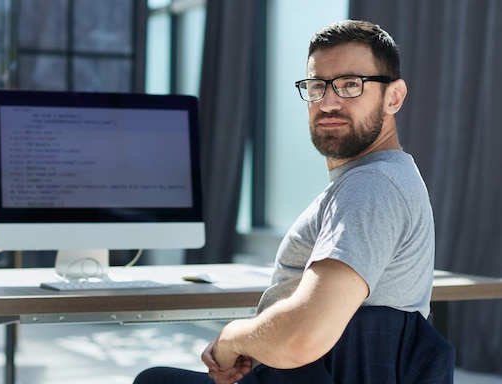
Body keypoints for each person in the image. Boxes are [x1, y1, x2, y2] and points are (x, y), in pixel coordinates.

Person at [134, 19, 454, 384]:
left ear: (393, 96)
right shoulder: (385, 178)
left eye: (351, 85)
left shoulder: (371, 185)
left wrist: (231, 338)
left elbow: (303, 338)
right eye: (317, 87)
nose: (328, 102)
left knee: (154, 380)